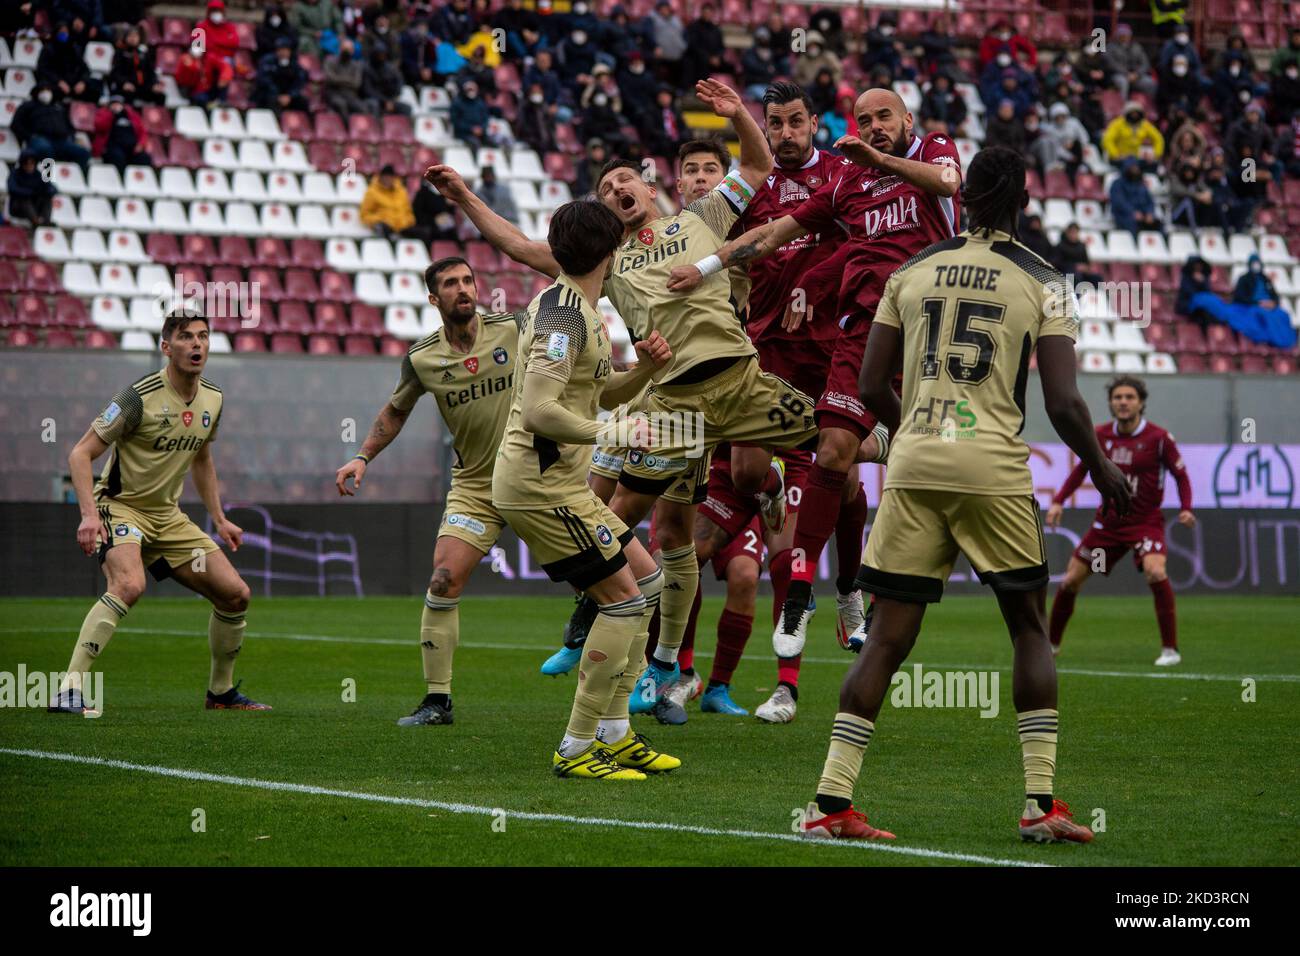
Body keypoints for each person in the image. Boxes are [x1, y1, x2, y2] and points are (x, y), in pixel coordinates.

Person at [431, 79, 823, 711]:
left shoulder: (701, 219)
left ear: (648, 185)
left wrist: (739, 113)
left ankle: (663, 661)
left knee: (837, 441)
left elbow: (756, 163)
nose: (617, 191)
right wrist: (466, 196)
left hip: (739, 382)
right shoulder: (603, 262)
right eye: (606, 190)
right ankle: (630, 642)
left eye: (625, 182)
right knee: (642, 525)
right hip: (674, 407)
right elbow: (521, 246)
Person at [798, 144, 1131, 843]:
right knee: (1029, 630)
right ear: (1025, 203)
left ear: (963, 197)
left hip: (915, 464)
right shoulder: (1043, 280)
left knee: (886, 638)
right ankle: (1041, 805)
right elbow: (1066, 401)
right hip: (993, 469)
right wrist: (1101, 466)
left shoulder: (911, 270)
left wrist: (917, 431)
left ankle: (831, 806)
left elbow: (866, 387)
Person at [676, 88, 962, 666]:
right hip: (843, 334)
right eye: (865, 120)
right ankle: (810, 594)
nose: (876, 126)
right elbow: (774, 233)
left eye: (885, 117)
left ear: (907, 119)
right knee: (826, 456)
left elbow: (948, 182)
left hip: (924, 325)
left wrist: (875, 161)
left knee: (895, 467)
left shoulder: (923, 152)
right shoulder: (837, 186)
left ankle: (860, 577)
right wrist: (705, 266)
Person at [491, 199, 678, 780]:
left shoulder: (583, 311)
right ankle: (577, 747)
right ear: (612, 250)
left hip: (563, 484)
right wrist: (611, 432)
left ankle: (616, 732)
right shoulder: (564, 317)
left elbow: (594, 395)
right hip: (540, 485)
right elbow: (542, 414)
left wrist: (645, 369)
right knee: (623, 600)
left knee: (649, 580)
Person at [335, 259, 525, 726]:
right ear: (433, 299)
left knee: (604, 581)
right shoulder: (422, 358)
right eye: (450, 284)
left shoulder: (516, 328)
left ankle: (640, 682)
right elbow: (396, 411)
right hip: (476, 487)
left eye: (467, 280)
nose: (462, 289)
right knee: (442, 579)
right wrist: (362, 456)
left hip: (534, 476)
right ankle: (438, 701)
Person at [50, 309, 267, 715]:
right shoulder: (136, 397)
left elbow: (202, 457)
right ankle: (68, 689)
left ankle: (219, 694)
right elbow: (80, 454)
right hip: (121, 508)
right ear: (166, 347)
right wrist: (88, 515)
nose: (197, 344)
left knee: (236, 595)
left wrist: (219, 518)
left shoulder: (213, 398)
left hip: (168, 519)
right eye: (186, 337)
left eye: (203, 336)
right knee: (129, 586)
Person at [1046, 376, 1192, 666]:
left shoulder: (1159, 438)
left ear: (1140, 402)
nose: (1123, 402)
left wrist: (1186, 507)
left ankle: (1170, 650)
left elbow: (1180, 475)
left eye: (1129, 397)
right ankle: (1050, 645)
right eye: (1118, 397)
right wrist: (1059, 500)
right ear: (1111, 403)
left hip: (1145, 523)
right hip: (1109, 525)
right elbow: (1081, 470)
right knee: (1072, 579)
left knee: (1155, 571)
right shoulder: (1099, 435)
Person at [11, 83, 91, 172]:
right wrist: (29, 137)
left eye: (48, 90)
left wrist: (73, 138)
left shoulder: (58, 107)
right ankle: (47, 179)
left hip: (61, 141)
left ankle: (77, 178)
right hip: (39, 139)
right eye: (42, 90)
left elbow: (69, 126)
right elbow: (16, 124)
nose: (46, 93)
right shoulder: (28, 106)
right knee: (45, 149)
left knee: (83, 153)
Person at [37, 22, 103, 104]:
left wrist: (82, 82)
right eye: (61, 32)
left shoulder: (74, 48)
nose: (64, 34)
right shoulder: (48, 49)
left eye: (65, 32)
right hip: (56, 83)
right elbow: (43, 69)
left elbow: (85, 68)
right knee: (46, 90)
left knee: (95, 86)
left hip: (74, 83)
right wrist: (59, 81)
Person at [108, 25, 166, 106]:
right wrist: (124, 83)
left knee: (160, 95)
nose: (133, 38)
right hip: (127, 86)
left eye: (135, 36)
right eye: (130, 36)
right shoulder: (120, 53)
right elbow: (115, 73)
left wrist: (154, 84)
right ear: (125, 37)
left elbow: (151, 71)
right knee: (127, 95)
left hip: (143, 87)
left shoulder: (144, 53)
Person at [92, 95, 150, 172]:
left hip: (132, 148)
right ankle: (120, 179)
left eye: (118, 103)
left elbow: (143, 132)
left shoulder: (132, 115)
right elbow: (100, 127)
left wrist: (141, 144)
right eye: (113, 103)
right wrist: (111, 114)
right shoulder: (104, 113)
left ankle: (137, 181)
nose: (116, 105)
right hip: (112, 147)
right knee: (117, 157)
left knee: (144, 158)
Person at [253, 37, 309, 114]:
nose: (283, 52)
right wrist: (277, 95)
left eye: (286, 50)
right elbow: (264, 80)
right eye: (281, 50)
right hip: (271, 94)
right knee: (269, 101)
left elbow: (300, 80)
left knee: (303, 102)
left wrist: (290, 95)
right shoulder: (267, 61)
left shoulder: (294, 63)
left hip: (288, 96)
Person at [360, 165, 418, 238]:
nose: (388, 179)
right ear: (380, 177)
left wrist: (408, 221)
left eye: (390, 177)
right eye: (385, 177)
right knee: (384, 230)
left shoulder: (401, 191)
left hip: (403, 226)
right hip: (386, 226)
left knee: (424, 232)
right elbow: (365, 214)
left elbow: (408, 211)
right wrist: (380, 219)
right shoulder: (372, 192)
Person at [1102, 101, 1164, 169]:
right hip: (1120, 158)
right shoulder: (1117, 124)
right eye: (1132, 113)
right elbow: (1107, 140)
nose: (1134, 115)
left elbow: (1158, 138)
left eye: (1137, 113)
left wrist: (1156, 154)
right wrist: (1115, 154)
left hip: (1136, 158)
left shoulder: (1145, 125)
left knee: (1154, 166)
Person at [175, 36, 233, 108]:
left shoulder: (209, 57)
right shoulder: (185, 59)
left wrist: (224, 77)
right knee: (201, 99)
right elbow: (182, 79)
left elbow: (225, 66)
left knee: (225, 76)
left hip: (210, 88)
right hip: (193, 90)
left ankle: (221, 101)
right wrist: (192, 66)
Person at [1109, 158, 1162, 237]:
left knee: (1158, 224)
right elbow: (1119, 202)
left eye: (1137, 167)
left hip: (1143, 215)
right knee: (1133, 224)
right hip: (1124, 216)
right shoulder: (1117, 184)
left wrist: (1149, 213)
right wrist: (1132, 212)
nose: (1136, 169)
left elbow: (1149, 201)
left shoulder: (1140, 184)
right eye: (1133, 167)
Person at [322, 39, 372, 119]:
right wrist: (348, 79)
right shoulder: (330, 61)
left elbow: (356, 83)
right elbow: (330, 79)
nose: (346, 52)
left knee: (364, 109)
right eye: (344, 49)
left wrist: (338, 79)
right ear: (340, 49)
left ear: (352, 51)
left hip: (350, 95)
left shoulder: (356, 65)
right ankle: (347, 130)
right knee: (341, 105)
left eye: (349, 50)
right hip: (333, 93)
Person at [6, 150, 57, 226]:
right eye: (26, 163)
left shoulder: (38, 175)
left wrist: (45, 192)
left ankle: (46, 222)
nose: (29, 166)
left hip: (35, 206)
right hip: (18, 207)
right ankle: (36, 222)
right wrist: (30, 192)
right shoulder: (15, 174)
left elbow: (52, 188)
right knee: (24, 199)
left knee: (47, 198)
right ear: (22, 163)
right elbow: (12, 189)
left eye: (32, 163)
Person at [1052, 222, 1104, 287]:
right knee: (1076, 278)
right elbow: (1057, 264)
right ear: (1067, 233)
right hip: (1066, 274)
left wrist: (1086, 268)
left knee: (1098, 278)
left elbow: (1087, 262)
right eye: (1072, 232)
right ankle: (1077, 297)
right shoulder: (1060, 246)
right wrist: (1075, 266)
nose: (1073, 235)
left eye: (1075, 232)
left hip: (1081, 274)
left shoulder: (1081, 246)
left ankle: (1100, 296)